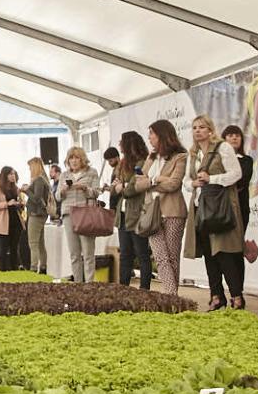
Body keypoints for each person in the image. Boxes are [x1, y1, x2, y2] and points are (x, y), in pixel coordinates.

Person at [184, 115, 247, 310]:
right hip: (200, 208)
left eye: (202, 127)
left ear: (210, 130)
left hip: (221, 207)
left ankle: (237, 296)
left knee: (224, 253)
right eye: (194, 127)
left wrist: (212, 178)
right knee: (209, 254)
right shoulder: (193, 153)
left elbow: (236, 174)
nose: (198, 130)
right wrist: (193, 183)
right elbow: (186, 181)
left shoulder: (223, 148)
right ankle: (216, 296)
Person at [130, 121, 188, 293]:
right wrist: (156, 180)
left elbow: (174, 185)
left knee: (172, 257)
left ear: (162, 135)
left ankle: (171, 295)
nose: (149, 138)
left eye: (152, 134)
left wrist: (150, 182)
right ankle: (171, 295)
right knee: (160, 256)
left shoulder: (180, 157)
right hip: (150, 212)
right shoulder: (151, 157)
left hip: (173, 212)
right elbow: (137, 184)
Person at [110, 132, 153, 290]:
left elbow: (132, 188)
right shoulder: (121, 164)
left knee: (142, 253)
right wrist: (120, 186)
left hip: (137, 213)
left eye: (122, 142)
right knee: (125, 254)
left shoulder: (143, 162)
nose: (120, 144)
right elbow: (114, 189)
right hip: (122, 215)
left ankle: (144, 290)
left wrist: (122, 186)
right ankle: (124, 289)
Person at [57, 147, 102, 283]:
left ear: (82, 159)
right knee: (74, 253)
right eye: (71, 158)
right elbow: (57, 197)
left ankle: (89, 284)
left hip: (85, 213)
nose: (74, 161)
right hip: (68, 214)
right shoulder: (64, 175)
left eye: (77, 158)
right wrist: (63, 190)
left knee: (88, 252)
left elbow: (96, 192)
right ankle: (77, 284)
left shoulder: (91, 172)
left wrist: (84, 188)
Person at [0, 166, 21, 271]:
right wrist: (7, 204)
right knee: (3, 247)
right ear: (5, 175)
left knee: (14, 247)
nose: (13, 176)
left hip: (15, 220)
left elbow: (19, 201)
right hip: (3, 221)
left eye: (14, 174)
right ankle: (3, 269)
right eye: (11, 174)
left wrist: (20, 204)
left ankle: (14, 268)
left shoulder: (15, 188)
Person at [223, 126, 254, 230]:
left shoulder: (247, 160)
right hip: (221, 206)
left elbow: (242, 181)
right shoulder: (217, 159)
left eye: (237, 135)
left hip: (240, 205)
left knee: (238, 242)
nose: (234, 138)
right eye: (230, 135)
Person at [25, 158, 52, 274]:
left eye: (31, 167)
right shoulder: (43, 180)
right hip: (41, 214)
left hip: (36, 214)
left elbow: (36, 198)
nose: (30, 169)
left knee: (33, 243)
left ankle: (33, 267)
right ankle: (43, 267)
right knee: (40, 243)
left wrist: (26, 191)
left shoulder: (39, 180)